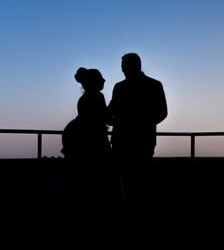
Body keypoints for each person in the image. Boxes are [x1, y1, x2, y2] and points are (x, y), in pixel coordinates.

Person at [107, 52, 167, 209]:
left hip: (123, 140)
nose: (122, 70)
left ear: (130, 67)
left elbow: (110, 112)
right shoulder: (154, 85)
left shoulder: (119, 87)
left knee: (127, 182)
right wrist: (145, 124)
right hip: (144, 140)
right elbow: (162, 113)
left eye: (123, 67)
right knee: (142, 180)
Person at [61, 67, 118, 211]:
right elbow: (104, 119)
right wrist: (113, 107)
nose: (104, 80)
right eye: (100, 78)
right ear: (94, 82)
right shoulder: (97, 97)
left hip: (85, 146)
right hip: (96, 146)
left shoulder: (85, 98)